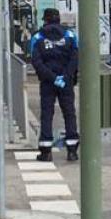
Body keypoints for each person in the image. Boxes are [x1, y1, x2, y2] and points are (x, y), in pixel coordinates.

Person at [30, 8, 79, 162]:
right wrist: (65, 77)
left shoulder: (38, 37)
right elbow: (75, 59)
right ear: (58, 19)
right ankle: (72, 151)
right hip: (66, 82)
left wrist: (52, 77)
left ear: (45, 20)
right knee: (69, 114)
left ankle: (46, 152)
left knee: (47, 115)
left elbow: (36, 62)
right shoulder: (70, 35)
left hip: (47, 83)